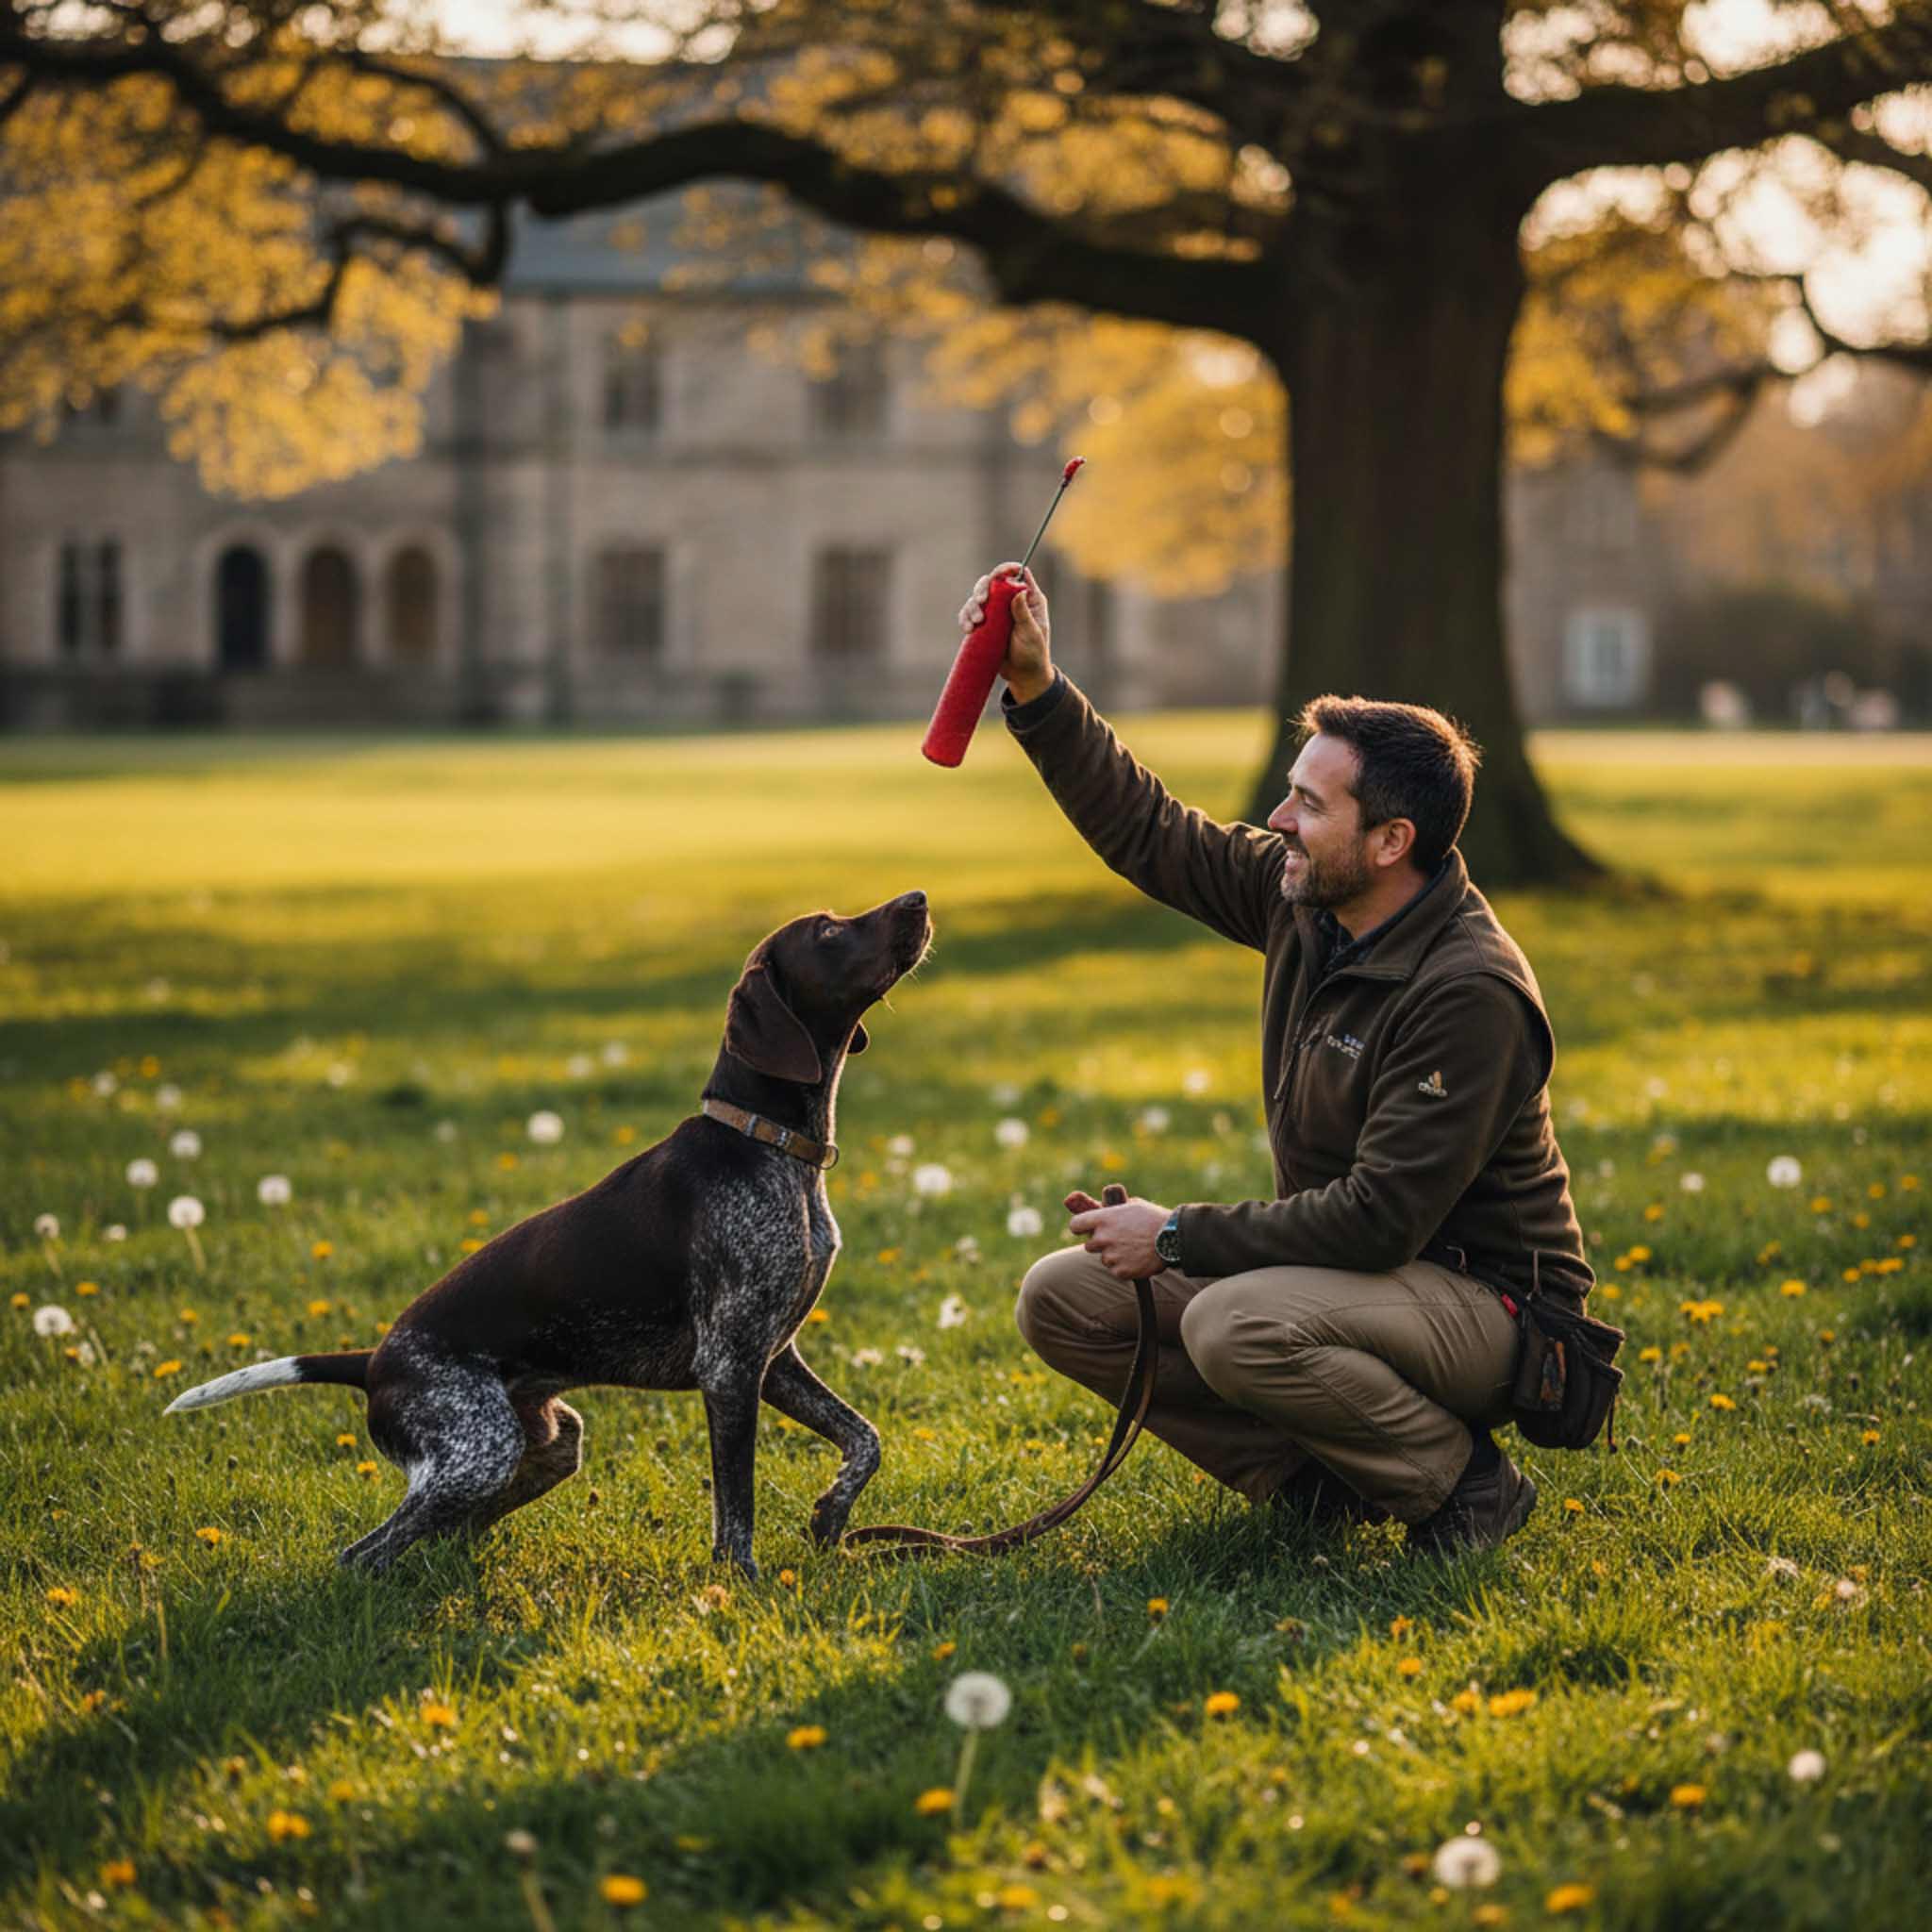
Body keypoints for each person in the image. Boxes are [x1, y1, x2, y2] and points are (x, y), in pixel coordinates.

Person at [957, 563, 1594, 1553]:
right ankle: (1319, 1486)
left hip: (1490, 1306)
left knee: (1232, 1323)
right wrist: (1038, 688)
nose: (1278, 820)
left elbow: (1378, 1222)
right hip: (1349, 1280)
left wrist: (1172, 1234)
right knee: (1062, 1297)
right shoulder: (1305, 899)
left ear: (1389, 840)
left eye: (1307, 804)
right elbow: (1148, 829)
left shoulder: (1467, 991)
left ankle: (1463, 1488)